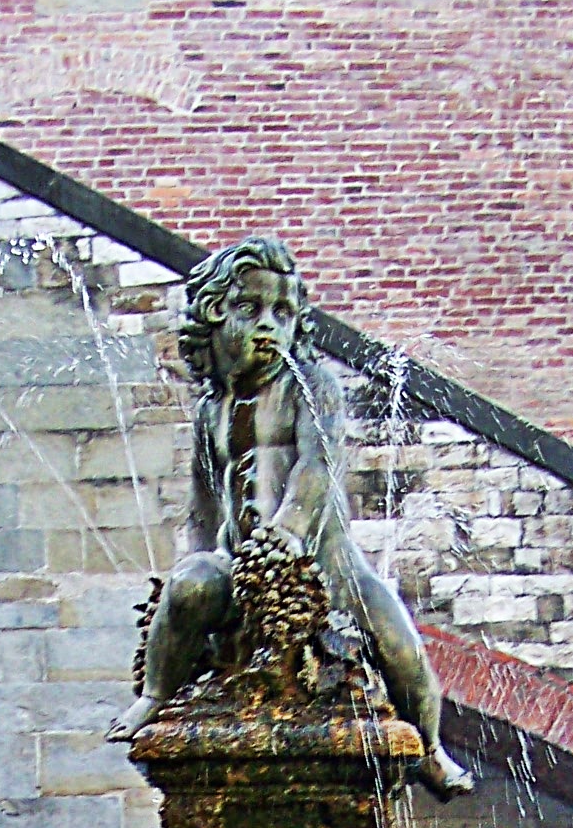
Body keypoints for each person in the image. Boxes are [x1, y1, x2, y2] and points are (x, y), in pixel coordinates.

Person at [142, 235, 471, 798]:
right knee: (187, 589)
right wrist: (188, 571)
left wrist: (288, 531)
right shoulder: (209, 411)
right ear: (213, 318)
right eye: (250, 309)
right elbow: (203, 506)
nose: (268, 325)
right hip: (240, 564)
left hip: (324, 565)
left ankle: (432, 749)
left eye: (282, 313)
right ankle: (154, 697)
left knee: (401, 647)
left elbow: (317, 468)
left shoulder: (311, 387)